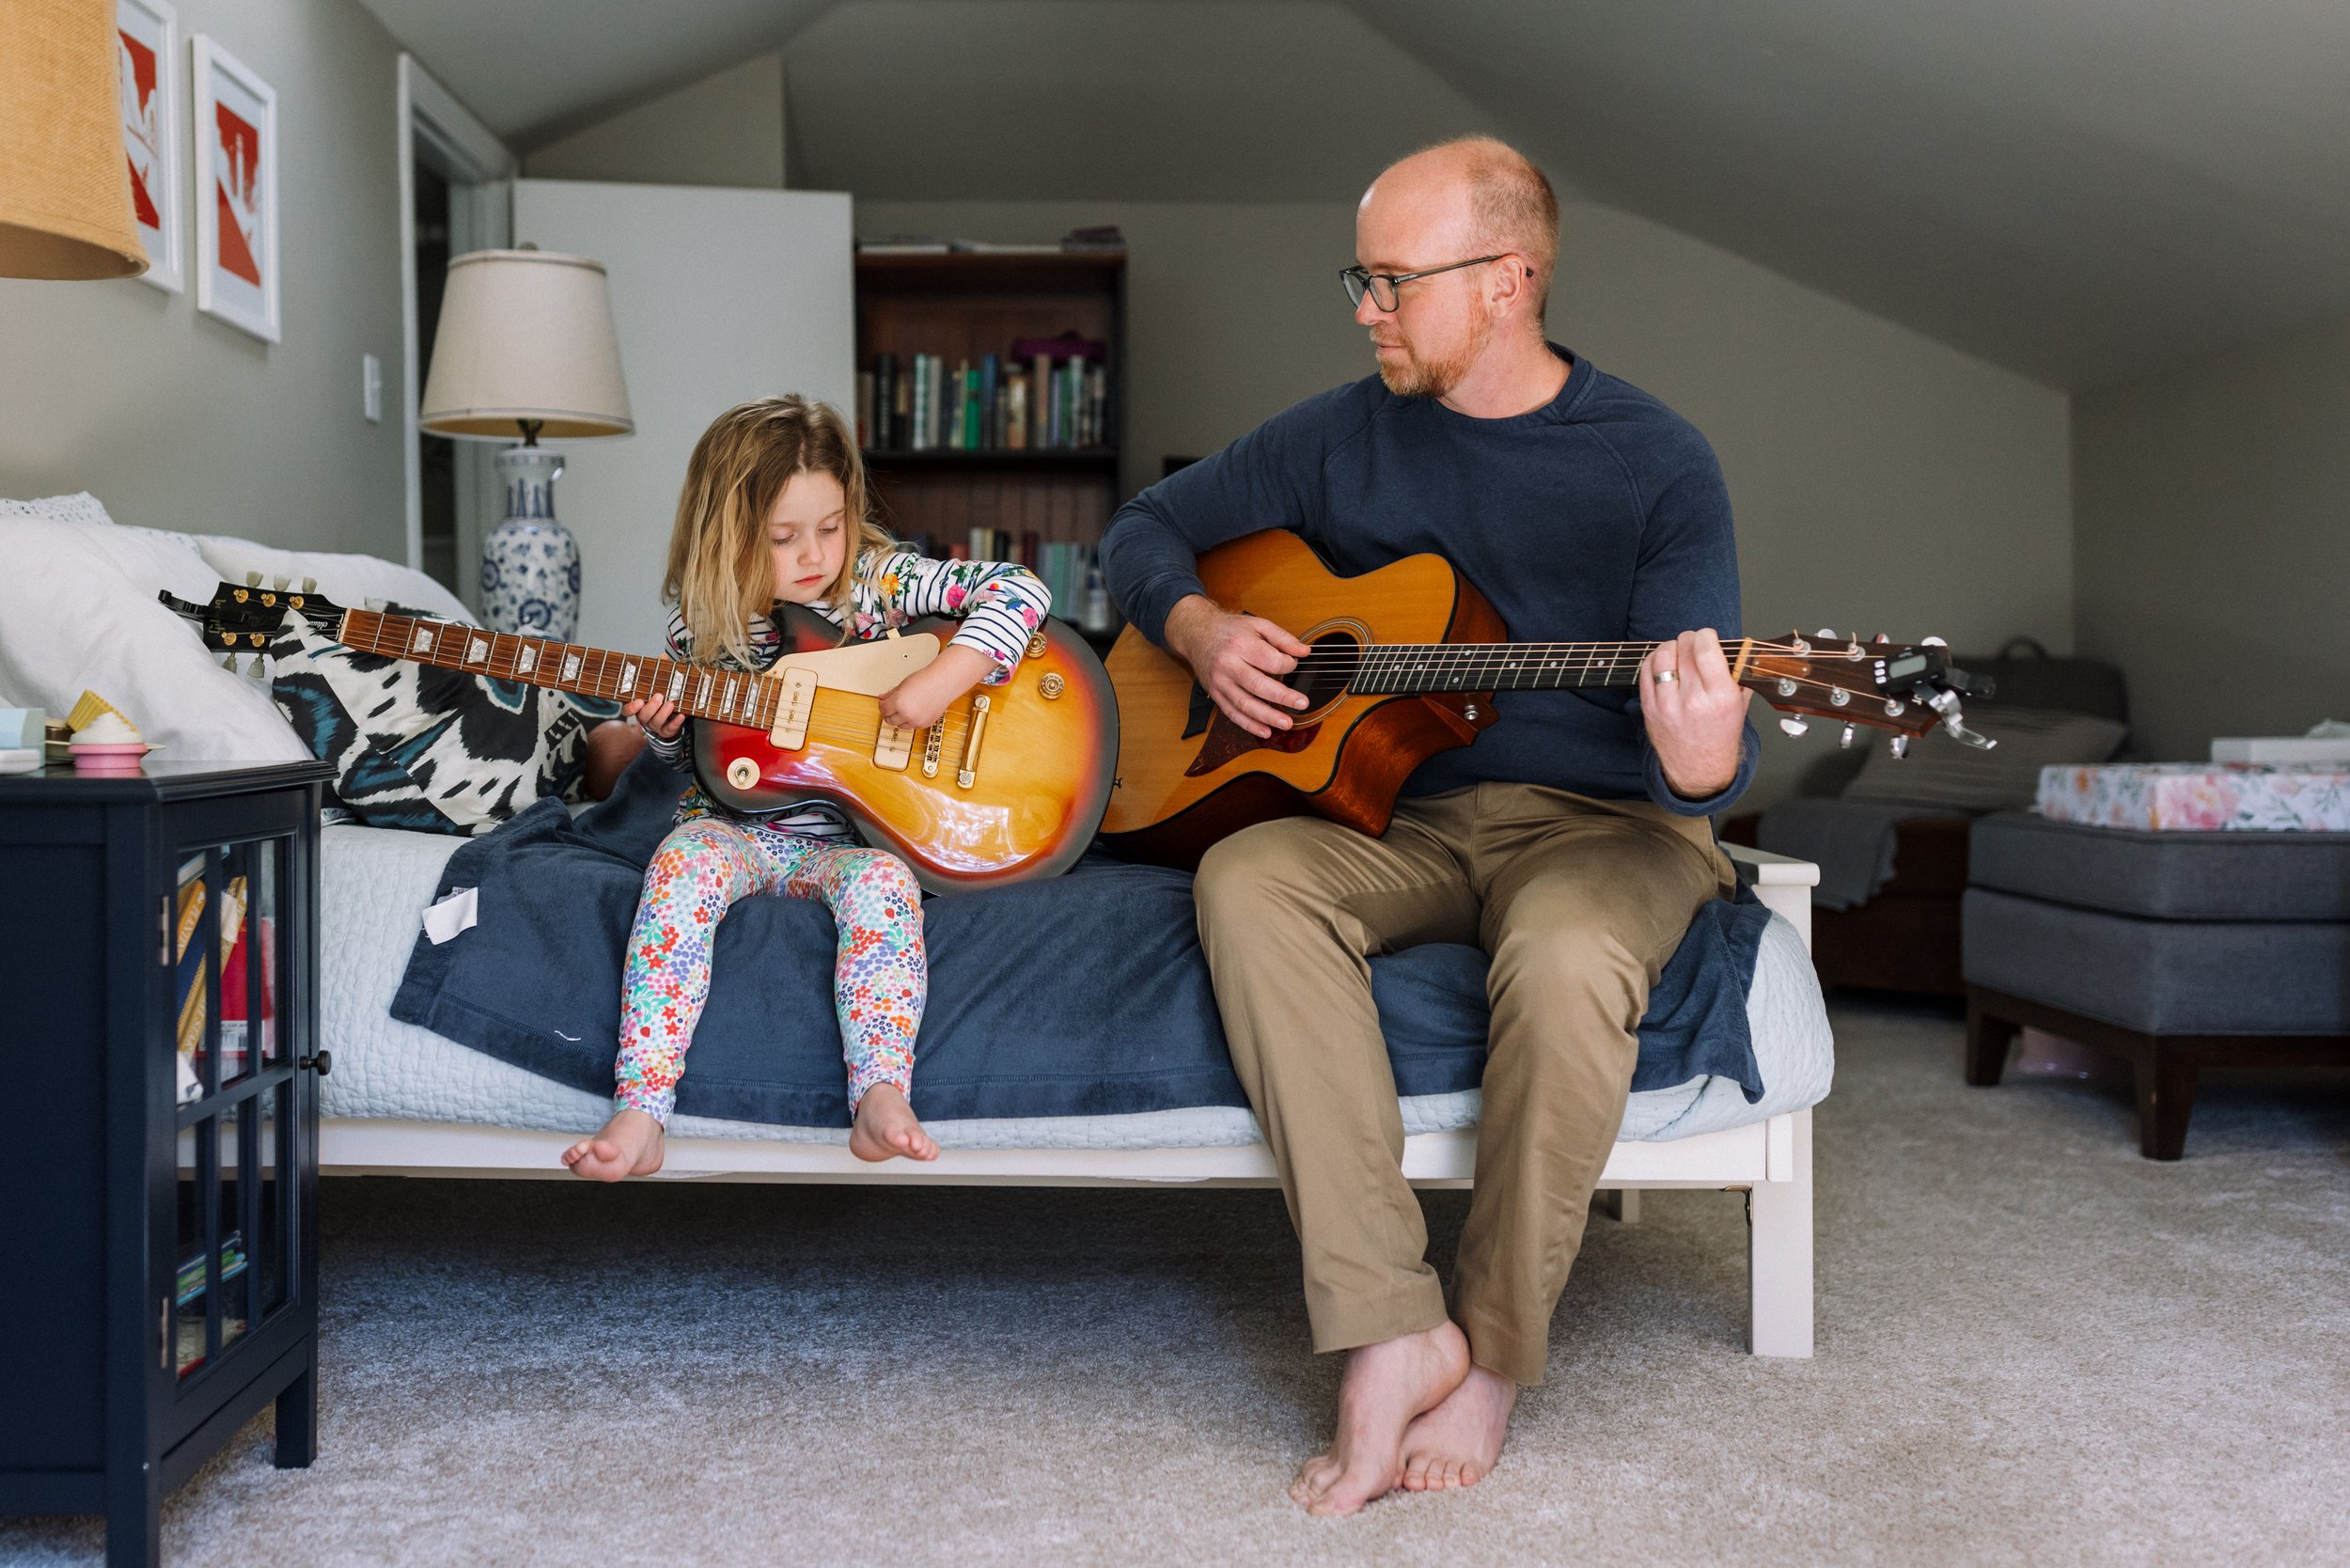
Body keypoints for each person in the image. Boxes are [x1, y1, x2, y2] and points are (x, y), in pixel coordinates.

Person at [1099, 137, 1758, 1514]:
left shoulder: (1657, 463)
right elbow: (1145, 530)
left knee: (1574, 957)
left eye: (1392, 281)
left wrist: (1705, 758)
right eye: (1363, 277)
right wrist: (1206, 626)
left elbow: (1698, 765)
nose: (1364, 309)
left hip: (1604, 822)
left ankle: (1496, 1357)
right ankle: (1392, 1328)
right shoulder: (1339, 432)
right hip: (1392, 810)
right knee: (1248, 876)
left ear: (1510, 279)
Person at [561, 396, 1051, 1181]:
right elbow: (707, 766)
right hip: (740, 832)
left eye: (831, 526)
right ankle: (644, 1107)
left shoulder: (876, 581)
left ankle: (881, 1094)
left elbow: (1020, 589)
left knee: (889, 887)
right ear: (727, 536)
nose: (816, 553)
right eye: (784, 539)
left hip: (853, 843)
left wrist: (944, 677)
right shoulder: (701, 629)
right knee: (681, 862)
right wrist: (662, 730)